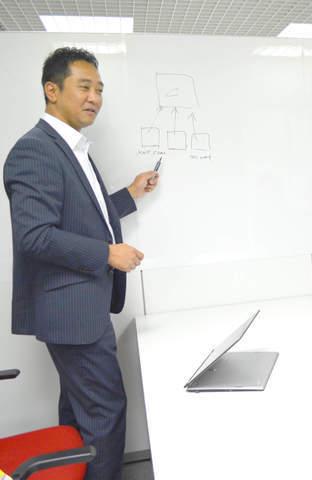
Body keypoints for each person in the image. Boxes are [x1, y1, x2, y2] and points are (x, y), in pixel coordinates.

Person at [3, 47, 159, 479]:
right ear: (52, 90)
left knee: (79, 412)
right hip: (72, 313)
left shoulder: (71, 148)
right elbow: (34, 235)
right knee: (105, 411)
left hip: (80, 309)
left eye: (100, 89)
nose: (95, 97)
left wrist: (131, 193)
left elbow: (84, 216)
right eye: (84, 86)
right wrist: (108, 253)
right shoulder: (35, 150)